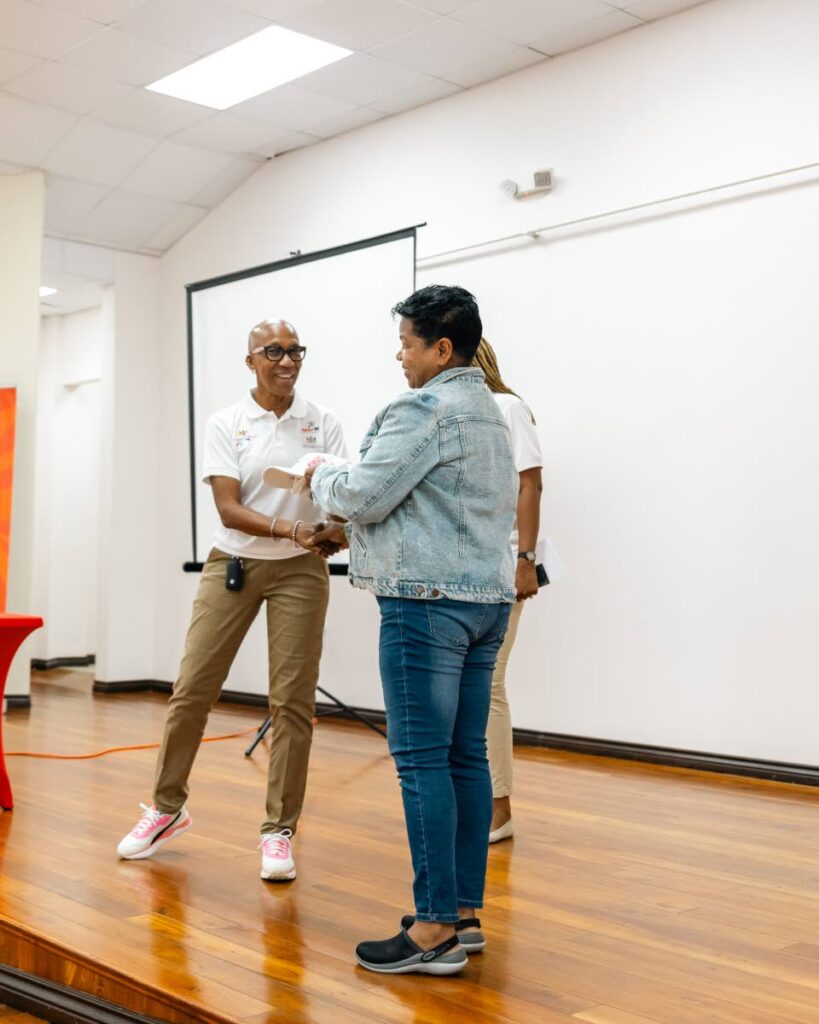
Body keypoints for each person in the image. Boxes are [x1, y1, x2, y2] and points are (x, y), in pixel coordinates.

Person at [306, 285, 517, 976]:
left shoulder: (424, 406)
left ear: (441, 348)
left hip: (424, 605)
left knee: (421, 759)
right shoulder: (489, 413)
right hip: (484, 602)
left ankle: (431, 930)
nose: (399, 356)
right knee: (463, 758)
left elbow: (362, 491)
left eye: (405, 343)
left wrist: (318, 472)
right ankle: (460, 913)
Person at [116, 318, 347, 882]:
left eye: (296, 351)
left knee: (291, 703)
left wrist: (337, 527)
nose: (287, 360)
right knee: (192, 689)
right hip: (234, 565)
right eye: (274, 351)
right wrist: (292, 530)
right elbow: (227, 508)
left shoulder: (325, 423)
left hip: (301, 573)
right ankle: (167, 810)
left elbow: (342, 498)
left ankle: (278, 831)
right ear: (251, 361)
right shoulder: (227, 423)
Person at [472, 338, 543, 843]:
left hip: (503, 569)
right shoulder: (440, 411)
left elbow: (530, 484)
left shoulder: (507, 407)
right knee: (469, 689)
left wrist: (526, 561)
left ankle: (500, 809)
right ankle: (478, 801)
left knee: (490, 685)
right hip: (462, 571)